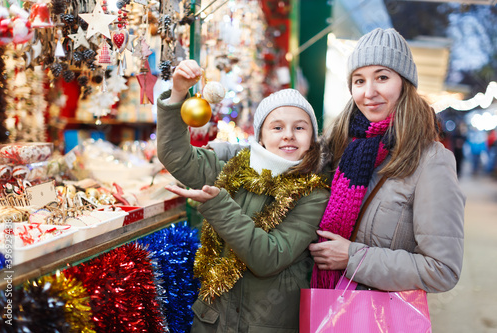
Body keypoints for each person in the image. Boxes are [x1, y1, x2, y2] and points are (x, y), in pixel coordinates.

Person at [156, 59, 330, 332]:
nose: (288, 136)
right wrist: (178, 94)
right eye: (277, 127)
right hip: (212, 321)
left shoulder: (314, 193)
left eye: (299, 127)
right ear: (260, 136)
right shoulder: (233, 167)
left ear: (311, 138)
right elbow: (176, 156)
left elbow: (268, 258)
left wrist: (218, 205)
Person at [309, 28, 465, 292]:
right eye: (359, 81)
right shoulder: (336, 145)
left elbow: (442, 270)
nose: (369, 92)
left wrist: (352, 258)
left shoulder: (431, 161)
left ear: (404, 84)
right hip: (320, 303)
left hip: (374, 319)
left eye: (382, 77)